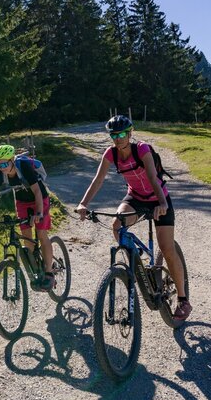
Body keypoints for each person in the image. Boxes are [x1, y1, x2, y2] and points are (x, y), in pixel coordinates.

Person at [74, 115, 192, 321]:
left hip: (158, 197)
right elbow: (98, 179)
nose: (117, 139)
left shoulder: (142, 150)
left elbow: (153, 177)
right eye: (113, 135)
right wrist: (84, 203)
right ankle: (136, 262)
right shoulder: (111, 154)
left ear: (130, 133)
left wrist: (162, 203)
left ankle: (183, 299)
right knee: (116, 225)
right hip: (135, 197)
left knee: (167, 249)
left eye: (121, 134)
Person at [0, 144, 55, 291]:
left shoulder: (24, 166)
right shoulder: (0, 174)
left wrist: (39, 213)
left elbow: (37, 191)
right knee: (26, 236)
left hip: (40, 199)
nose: (2, 167)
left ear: (12, 159)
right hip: (22, 202)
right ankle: (36, 268)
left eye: (4, 163)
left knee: (41, 233)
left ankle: (49, 272)